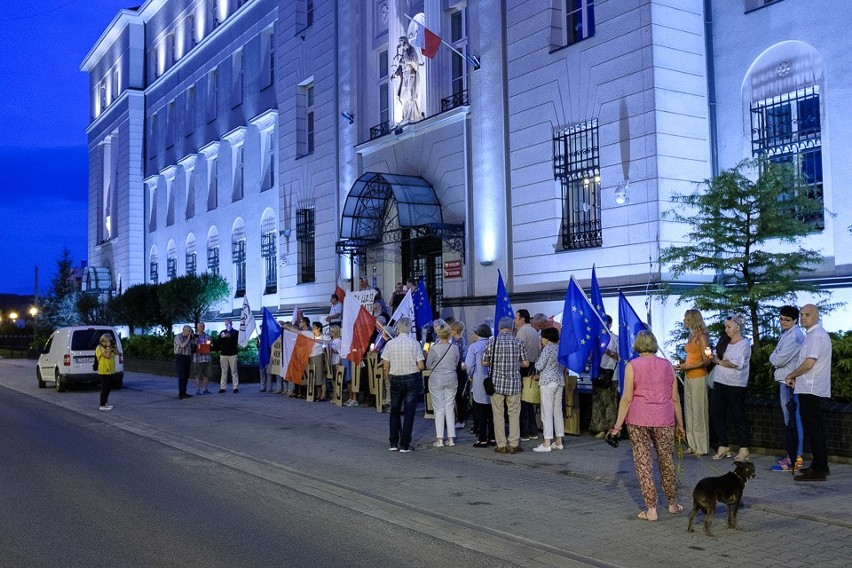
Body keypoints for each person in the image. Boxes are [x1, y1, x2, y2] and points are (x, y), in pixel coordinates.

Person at [610, 330, 685, 521]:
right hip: (664, 418)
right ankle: (672, 503)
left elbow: (626, 398)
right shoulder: (667, 366)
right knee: (666, 461)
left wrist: (617, 426)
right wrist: (680, 424)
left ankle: (651, 509)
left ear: (637, 345)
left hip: (638, 418)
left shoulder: (632, 366)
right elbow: (675, 398)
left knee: (643, 463)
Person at [785, 304, 832, 482]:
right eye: (802, 314)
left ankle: (820, 468)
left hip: (812, 388)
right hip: (807, 386)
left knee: (815, 428)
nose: (803, 317)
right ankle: (819, 465)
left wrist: (792, 374)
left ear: (816, 317)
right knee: (813, 428)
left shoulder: (817, 336)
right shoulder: (811, 335)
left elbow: (809, 363)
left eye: (807, 315)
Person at [483, 316, 530, 454]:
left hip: (496, 384)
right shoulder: (518, 341)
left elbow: (484, 362)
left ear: (499, 327)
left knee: (498, 414)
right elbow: (526, 363)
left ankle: (501, 445)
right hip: (514, 383)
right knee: (514, 414)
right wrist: (516, 364)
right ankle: (514, 444)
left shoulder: (492, 342)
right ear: (512, 327)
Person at [707, 315, 751, 462]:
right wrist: (712, 357)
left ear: (738, 327)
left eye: (729, 327)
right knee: (716, 412)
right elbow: (719, 359)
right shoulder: (725, 341)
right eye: (725, 327)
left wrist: (719, 361)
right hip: (719, 381)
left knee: (738, 415)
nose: (726, 330)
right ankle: (723, 444)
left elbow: (735, 363)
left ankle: (744, 448)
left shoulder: (744, 344)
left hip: (736, 384)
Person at [769, 305, 805, 471]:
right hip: (785, 379)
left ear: (795, 320)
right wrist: (775, 355)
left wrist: (774, 355)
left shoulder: (794, 336)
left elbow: (778, 359)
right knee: (790, 419)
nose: (783, 322)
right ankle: (793, 455)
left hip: (788, 381)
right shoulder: (788, 334)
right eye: (781, 319)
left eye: (787, 320)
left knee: (792, 420)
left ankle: (795, 458)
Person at [381, 317, 425, 452]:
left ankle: (393, 442)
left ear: (397, 328)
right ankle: (404, 444)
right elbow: (421, 365)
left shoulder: (390, 344)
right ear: (409, 328)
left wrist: (387, 379)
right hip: (411, 378)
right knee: (409, 412)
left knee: (394, 410)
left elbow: (385, 366)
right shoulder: (415, 343)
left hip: (395, 378)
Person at [674, 309, 712, 456]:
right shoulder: (691, 335)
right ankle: (692, 443)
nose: (684, 321)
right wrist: (683, 366)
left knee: (698, 411)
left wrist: (688, 366)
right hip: (688, 376)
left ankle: (701, 446)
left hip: (698, 376)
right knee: (689, 410)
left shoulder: (702, 337)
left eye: (687, 319)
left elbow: (707, 359)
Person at [426, 320, 461, 447]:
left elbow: (428, 365)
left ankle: (440, 438)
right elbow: (457, 362)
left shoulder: (434, 348)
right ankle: (451, 438)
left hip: (437, 378)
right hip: (452, 377)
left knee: (439, 408)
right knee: (449, 406)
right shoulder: (455, 348)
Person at [533, 327, 566, 452]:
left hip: (547, 382)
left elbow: (539, 365)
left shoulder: (547, 349)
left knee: (546, 412)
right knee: (558, 411)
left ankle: (547, 442)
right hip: (559, 380)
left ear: (546, 338)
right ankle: (559, 441)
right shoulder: (560, 348)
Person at [466, 323, 495, 448]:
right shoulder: (493, 344)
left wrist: (469, 374)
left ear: (478, 334)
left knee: (480, 410)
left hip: (479, 381)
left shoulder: (474, 347)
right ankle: (493, 437)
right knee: (493, 411)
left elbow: (469, 365)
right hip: (494, 381)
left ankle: (482, 438)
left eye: (473, 333)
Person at [590, 315, 619, 438]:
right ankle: (598, 427)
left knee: (610, 403)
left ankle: (611, 428)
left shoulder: (616, 339)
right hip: (597, 372)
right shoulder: (595, 338)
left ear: (610, 325)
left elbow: (619, 357)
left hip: (611, 374)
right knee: (598, 401)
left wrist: (608, 352)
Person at [515, 309, 541, 441]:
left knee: (523, 402)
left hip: (524, 367)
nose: (515, 321)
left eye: (516, 318)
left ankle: (524, 432)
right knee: (530, 401)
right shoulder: (534, 332)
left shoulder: (522, 332)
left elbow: (518, 351)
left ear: (522, 319)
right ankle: (533, 430)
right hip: (534, 367)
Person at [392, 35, 422, 123]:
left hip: (411, 74)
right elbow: (400, 65)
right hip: (405, 75)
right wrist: (396, 73)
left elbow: (415, 62)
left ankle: (412, 115)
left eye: (401, 41)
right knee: (403, 96)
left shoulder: (411, 50)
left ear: (405, 41)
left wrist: (405, 61)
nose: (399, 43)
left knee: (410, 95)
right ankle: (406, 115)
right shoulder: (404, 52)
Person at [450, 320, 468, 429]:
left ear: (456, 330)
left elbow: (459, 357)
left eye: (452, 329)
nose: (450, 331)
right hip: (457, 369)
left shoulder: (458, 342)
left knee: (458, 396)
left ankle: (461, 419)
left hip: (459, 370)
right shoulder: (457, 341)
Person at [96, 333, 120, 410]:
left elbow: (117, 353)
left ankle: (105, 403)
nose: (107, 343)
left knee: (109, 388)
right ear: (102, 341)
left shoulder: (109, 347)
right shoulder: (99, 348)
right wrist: (109, 347)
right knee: (105, 388)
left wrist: (114, 346)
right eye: (106, 341)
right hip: (103, 371)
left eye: (108, 341)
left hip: (111, 370)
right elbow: (107, 356)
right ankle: (102, 405)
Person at [217, 318, 240, 394]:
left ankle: (235, 387)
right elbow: (218, 342)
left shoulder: (235, 332)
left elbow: (236, 341)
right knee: (224, 371)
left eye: (228, 324)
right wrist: (222, 337)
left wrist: (229, 336)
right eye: (225, 324)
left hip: (232, 354)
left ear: (231, 324)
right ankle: (222, 387)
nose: (227, 325)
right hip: (223, 354)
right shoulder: (222, 332)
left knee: (234, 371)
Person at [193, 322, 213, 395]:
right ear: (197, 327)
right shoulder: (195, 336)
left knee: (206, 374)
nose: (202, 327)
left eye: (203, 326)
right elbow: (193, 346)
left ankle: (205, 389)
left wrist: (209, 344)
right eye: (200, 326)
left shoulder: (207, 336)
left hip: (207, 358)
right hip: (198, 359)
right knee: (197, 375)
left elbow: (209, 344)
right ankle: (198, 390)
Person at [174, 325, 193, 399]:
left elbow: (191, 346)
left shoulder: (188, 338)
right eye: (189, 331)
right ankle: (181, 394)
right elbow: (182, 345)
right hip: (180, 357)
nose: (190, 333)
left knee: (186, 375)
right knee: (182, 375)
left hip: (187, 357)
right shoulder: (178, 337)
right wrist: (189, 338)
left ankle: (184, 392)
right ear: (184, 330)